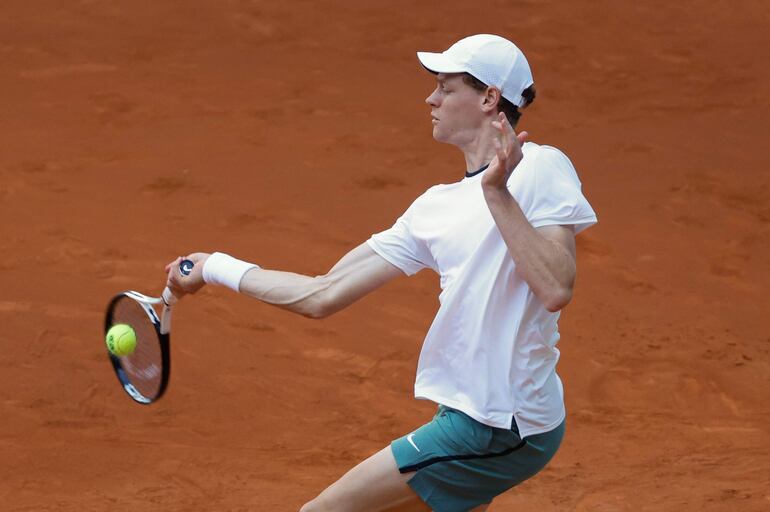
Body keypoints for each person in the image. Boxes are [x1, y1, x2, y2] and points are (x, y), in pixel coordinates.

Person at [165, 34, 597, 512]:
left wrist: (497, 193)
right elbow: (322, 294)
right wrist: (215, 267)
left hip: (502, 424)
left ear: (489, 98)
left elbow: (556, 287)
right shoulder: (432, 208)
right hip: (471, 411)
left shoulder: (540, 166)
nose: (430, 99)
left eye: (446, 89)